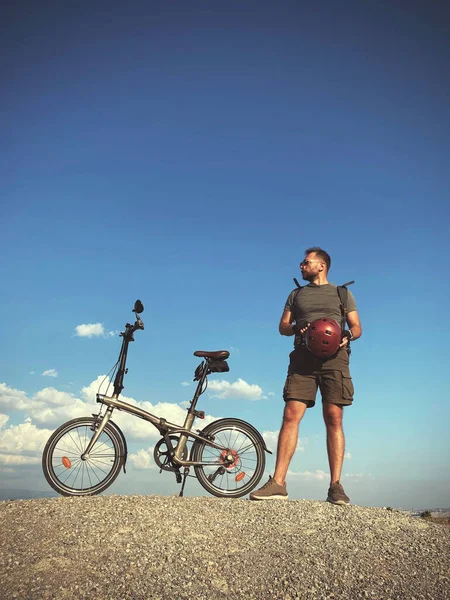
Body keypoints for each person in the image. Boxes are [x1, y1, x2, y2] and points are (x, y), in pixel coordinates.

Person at [250, 247, 362, 504]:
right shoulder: (296, 294)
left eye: (306, 262)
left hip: (335, 360)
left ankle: (335, 485)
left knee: (333, 417)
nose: (301, 266)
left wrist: (347, 335)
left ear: (321, 266)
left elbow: (357, 327)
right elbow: (282, 327)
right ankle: (278, 483)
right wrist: (294, 328)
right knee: (291, 414)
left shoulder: (342, 293)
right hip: (302, 358)